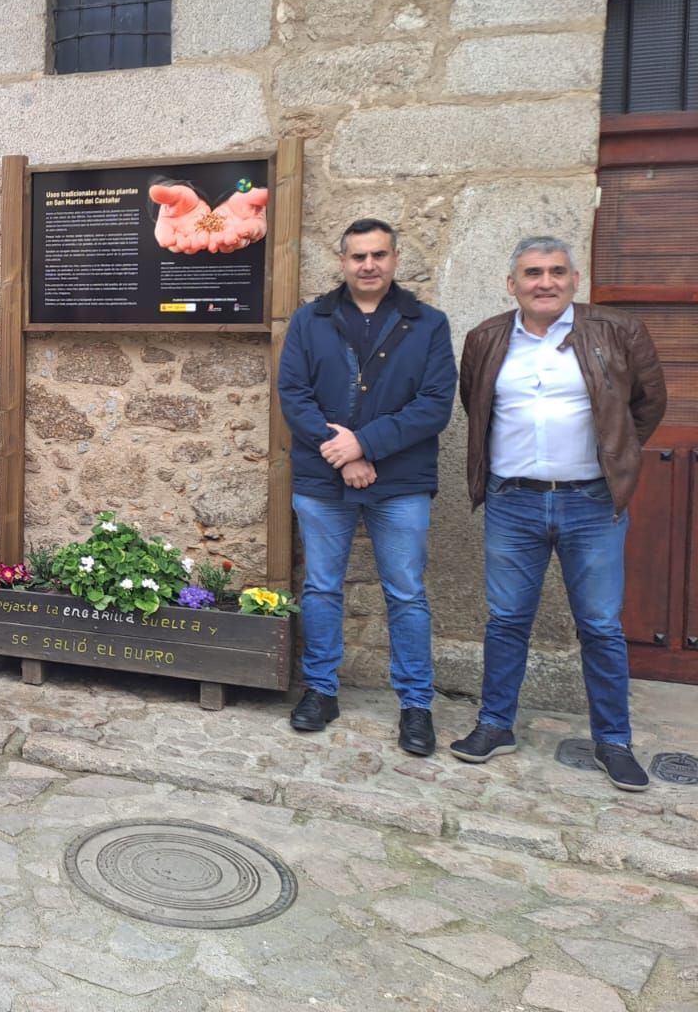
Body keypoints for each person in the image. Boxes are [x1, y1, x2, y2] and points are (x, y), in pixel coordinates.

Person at [450, 236, 666, 792]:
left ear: (575, 279)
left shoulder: (616, 331)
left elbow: (648, 403)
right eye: (532, 273)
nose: (544, 282)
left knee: (599, 625)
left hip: (592, 502)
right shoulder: (486, 339)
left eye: (556, 271)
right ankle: (495, 725)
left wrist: (616, 454)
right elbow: (474, 399)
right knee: (506, 621)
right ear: (512, 284)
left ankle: (613, 741)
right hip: (513, 501)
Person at [277, 219, 455, 756]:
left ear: (396, 259)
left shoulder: (428, 324)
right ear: (343, 262)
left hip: (399, 481)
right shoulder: (312, 321)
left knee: (405, 593)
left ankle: (416, 705)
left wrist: (365, 446)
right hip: (322, 478)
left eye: (379, 255)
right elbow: (293, 392)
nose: (369, 265)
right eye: (358, 256)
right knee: (322, 587)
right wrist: (342, 452)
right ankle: (322, 691)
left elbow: (434, 404)